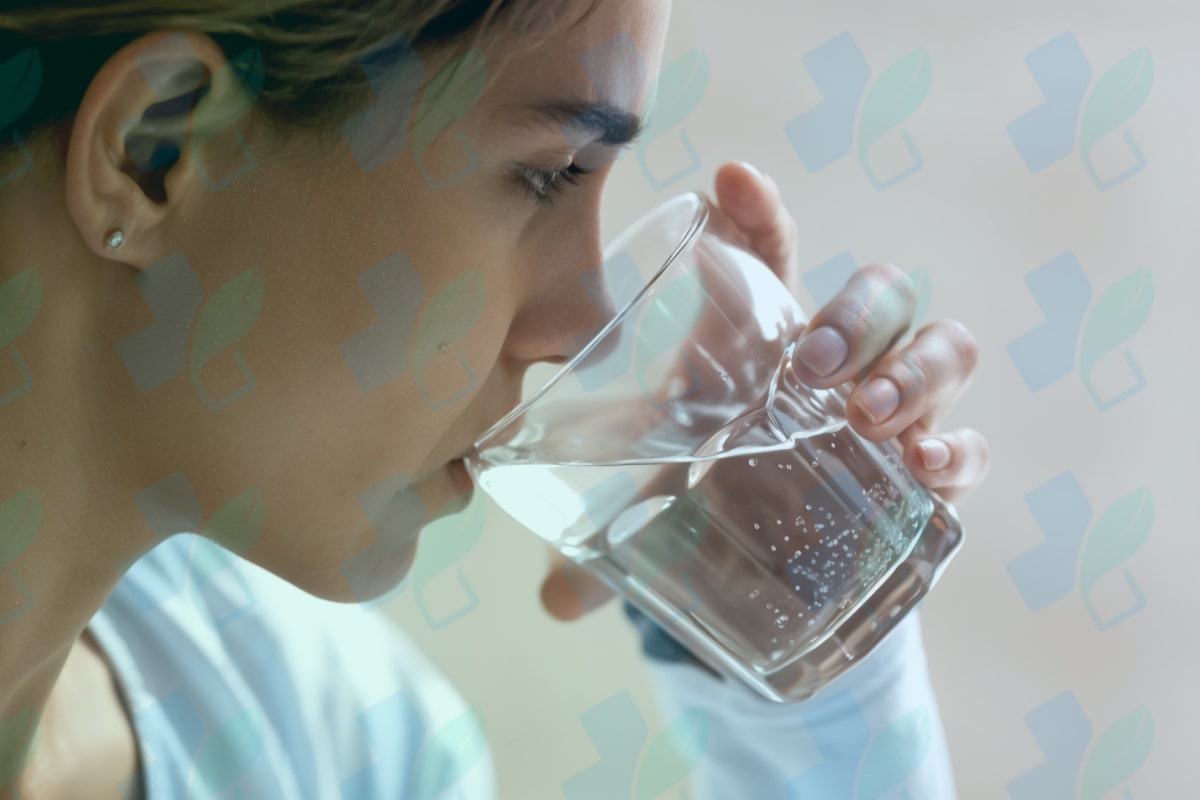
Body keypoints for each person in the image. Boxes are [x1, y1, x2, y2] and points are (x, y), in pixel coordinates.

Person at [0, 0, 989, 797]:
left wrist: (806, 668)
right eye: (548, 176)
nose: (589, 325)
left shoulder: (345, 748)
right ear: (158, 148)